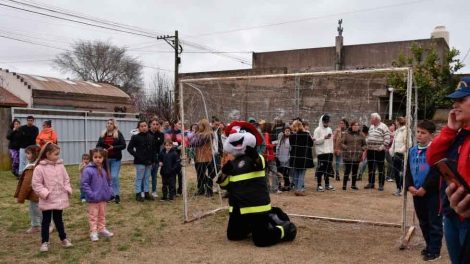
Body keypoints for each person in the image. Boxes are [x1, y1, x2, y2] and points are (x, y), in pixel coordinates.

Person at [217, 121, 296, 247]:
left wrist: (254, 156)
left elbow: (260, 164)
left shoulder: (256, 158)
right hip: (238, 209)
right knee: (233, 236)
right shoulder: (232, 163)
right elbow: (224, 185)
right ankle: (252, 226)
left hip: (255, 207)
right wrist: (224, 173)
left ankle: (285, 228)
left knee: (261, 240)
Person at [427, 77, 470, 264]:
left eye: (462, 100)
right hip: (451, 214)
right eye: (454, 100)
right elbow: (433, 158)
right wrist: (450, 129)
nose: (455, 104)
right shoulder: (458, 134)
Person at [405, 120, 442, 262]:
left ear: (431, 135)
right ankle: (429, 246)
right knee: (423, 221)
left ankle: (435, 251)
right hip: (416, 192)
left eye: (423, 133)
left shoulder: (435, 151)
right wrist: (409, 186)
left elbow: (436, 173)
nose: (419, 135)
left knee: (434, 222)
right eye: (418, 132)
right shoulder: (412, 150)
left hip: (432, 193)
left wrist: (425, 188)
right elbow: (408, 170)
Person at [32, 143, 73, 252]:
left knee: (59, 220)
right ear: (47, 154)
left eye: (58, 154)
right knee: (46, 221)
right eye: (56, 154)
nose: (58, 156)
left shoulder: (60, 165)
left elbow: (66, 179)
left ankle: (63, 238)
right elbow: (36, 184)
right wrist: (46, 194)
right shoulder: (39, 168)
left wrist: (67, 189)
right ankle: (44, 242)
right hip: (47, 199)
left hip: (59, 199)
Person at [81, 148, 114, 242]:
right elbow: (84, 184)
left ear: (103, 158)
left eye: (100, 157)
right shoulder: (88, 170)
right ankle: (93, 231)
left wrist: (109, 191)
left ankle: (102, 229)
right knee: (93, 216)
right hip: (93, 199)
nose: (98, 159)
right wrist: (91, 194)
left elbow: (109, 182)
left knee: (102, 215)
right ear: (92, 157)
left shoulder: (104, 169)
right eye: (95, 157)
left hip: (103, 198)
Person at [96, 119, 126, 204]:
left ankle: (116, 195)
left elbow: (123, 145)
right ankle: (109, 195)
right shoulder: (103, 134)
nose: (109, 125)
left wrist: (114, 147)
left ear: (114, 125)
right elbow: (98, 145)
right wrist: (103, 149)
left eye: (111, 123)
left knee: (114, 176)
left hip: (116, 159)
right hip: (105, 159)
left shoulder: (118, 133)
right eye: (108, 123)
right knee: (106, 177)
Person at [14, 145, 41, 233]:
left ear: (35, 154)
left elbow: (27, 184)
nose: (26, 155)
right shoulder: (34, 165)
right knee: (37, 210)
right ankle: (38, 225)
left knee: (36, 210)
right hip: (38, 194)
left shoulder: (32, 168)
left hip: (36, 194)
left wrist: (20, 197)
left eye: (28, 153)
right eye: (26, 153)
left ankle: (41, 225)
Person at [127, 121, 155, 202]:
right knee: (139, 178)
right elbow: (129, 148)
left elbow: (153, 149)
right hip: (139, 161)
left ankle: (146, 193)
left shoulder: (151, 137)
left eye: (145, 126)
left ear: (148, 126)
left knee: (146, 177)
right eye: (141, 126)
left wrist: (153, 159)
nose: (143, 127)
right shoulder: (135, 137)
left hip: (149, 161)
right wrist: (137, 155)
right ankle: (138, 194)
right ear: (138, 128)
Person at [365, 113, 390, 191]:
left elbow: (387, 139)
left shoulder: (384, 126)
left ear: (376, 119)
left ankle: (381, 184)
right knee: (370, 167)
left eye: (371, 118)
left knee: (381, 168)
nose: (370, 120)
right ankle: (371, 183)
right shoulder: (371, 127)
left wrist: (381, 147)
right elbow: (369, 136)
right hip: (370, 150)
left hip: (379, 151)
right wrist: (366, 143)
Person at [289, 120, 314, 195]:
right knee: (301, 173)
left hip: (295, 157)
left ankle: (296, 188)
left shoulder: (292, 136)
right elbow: (311, 143)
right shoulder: (306, 134)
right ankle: (299, 189)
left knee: (296, 172)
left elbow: (291, 144)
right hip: (303, 157)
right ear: (301, 126)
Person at [190, 119, 214, 196]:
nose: (198, 127)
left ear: (204, 126)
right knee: (199, 174)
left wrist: (194, 134)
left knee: (203, 174)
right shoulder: (199, 134)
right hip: (199, 157)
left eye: (199, 125)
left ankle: (209, 190)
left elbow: (194, 143)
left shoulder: (208, 134)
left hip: (205, 157)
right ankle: (201, 189)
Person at [341, 121, 366, 190]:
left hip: (357, 156)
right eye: (354, 125)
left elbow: (365, 144)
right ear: (351, 126)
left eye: (357, 125)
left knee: (355, 171)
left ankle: (353, 185)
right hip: (348, 156)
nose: (356, 126)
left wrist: (362, 149)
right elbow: (342, 143)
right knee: (347, 171)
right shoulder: (346, 134)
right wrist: (347, 148)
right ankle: (344, 185)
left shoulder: (361, 135)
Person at [389, 117, 411, 196]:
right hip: (395, 154)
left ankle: (403, 188)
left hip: (401, 155)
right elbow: (394, 142)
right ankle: (398, 188)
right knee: (396, 172)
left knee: (401, 173)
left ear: (398, 122)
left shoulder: (406, 131)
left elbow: (408, 143)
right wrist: (391, 150)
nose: (395, 122)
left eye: (396, 121)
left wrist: (400, 151)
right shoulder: (397, 131)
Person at [313, 114, 335, 191]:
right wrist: (324, 138)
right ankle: (319, 185)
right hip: (321, 153)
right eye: (325, 122)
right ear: (322, 121)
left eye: (328, 122)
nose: (326, 123)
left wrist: (332, 151)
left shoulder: (330, 129)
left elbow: (331, 141)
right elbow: (315, 141)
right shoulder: (317, 130)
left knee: (328, 169)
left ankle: (327, 184)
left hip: (329, 152)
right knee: (320, 169)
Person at [148, 118, 164, 198]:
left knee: (154, 175)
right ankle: (145, 191)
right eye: (153, 124)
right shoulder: (147, 133)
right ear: (150, 125)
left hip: (156, 156)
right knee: (147, 175)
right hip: (148, 157)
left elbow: (160, 142)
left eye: (157, 124)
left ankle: (154, 191)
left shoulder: (160, 134)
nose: (155, 126)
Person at [277, 126, 291, 191]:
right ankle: (279, 185)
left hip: (287, 159)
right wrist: (277, 155)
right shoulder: (281, 139)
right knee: (280, 172)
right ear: (284, 132)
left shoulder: (291, 139)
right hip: (280, 158)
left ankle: (287, 185)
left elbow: (291, 149)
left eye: (288, 131)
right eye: (286, 131)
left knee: (286, 173)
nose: (287, 132)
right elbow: (277, 147)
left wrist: (289, 157)